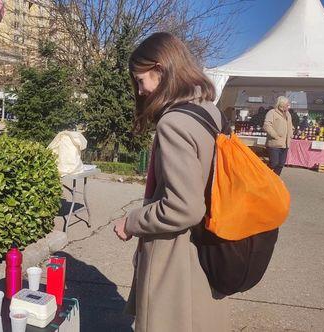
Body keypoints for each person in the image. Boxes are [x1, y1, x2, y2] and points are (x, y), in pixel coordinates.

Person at [113, 32, 228, 332]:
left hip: (175, 258)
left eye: (141, 80)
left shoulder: (174, 123)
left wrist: (132, 221)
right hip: (205, 249)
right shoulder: (209, 112)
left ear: (162, 70)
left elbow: (183, 207)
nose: (140, 91)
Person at [263, 96, 294, 175]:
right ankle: (265, 176)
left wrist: (291, 133)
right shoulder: (272, 112)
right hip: (274, 143)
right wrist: (275, 135)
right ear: (281, 104)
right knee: (274, 163)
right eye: (287, 104)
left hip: (285, 144)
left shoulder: (288, 114)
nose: (289, 105)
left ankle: (276, 180)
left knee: (281, 164)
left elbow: (290, 125)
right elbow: (266, 125)